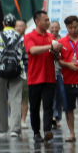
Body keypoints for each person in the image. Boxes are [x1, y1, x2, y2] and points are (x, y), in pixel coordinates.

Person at [0, 14, 27, 137]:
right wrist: (25, 72)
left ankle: (2, 127)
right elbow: (25, 57)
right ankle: (15, 128)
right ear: (15, 25)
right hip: (17, 72)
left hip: (0, 71)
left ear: (3, 24)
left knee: (1, 99)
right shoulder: (20, 37)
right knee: (16, 99)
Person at [24, 10, 59, 143]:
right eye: (45, 20)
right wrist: (50, 46)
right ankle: (36, 132)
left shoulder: (51, 36)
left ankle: (47, 130)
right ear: (37, 21)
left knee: (49, 105)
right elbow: (32, 50)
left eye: (48, 19)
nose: (48, 22)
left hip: (50, 77)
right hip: (35, 78)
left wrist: (57, 50)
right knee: (34, 107)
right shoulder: (29, 36)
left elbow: (55, 55)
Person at [59, 15, 78, 142]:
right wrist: (68, 65)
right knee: (68, 107)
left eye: (75, 27)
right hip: (67, 80)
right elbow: (57, 61)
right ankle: (72, 133)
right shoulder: (61, 43)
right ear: (66, 27)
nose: (73, 30)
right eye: (70, 27)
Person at [50, 20, 66, 129]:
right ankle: (52, 116)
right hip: (50, 71)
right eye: (52, 27)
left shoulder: (63, 41)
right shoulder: (47, 40)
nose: (54, 29)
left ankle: (57, 117)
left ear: (59, 28)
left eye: (56, 27)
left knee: (60, 95)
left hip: (60, 71)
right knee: (51, 95)